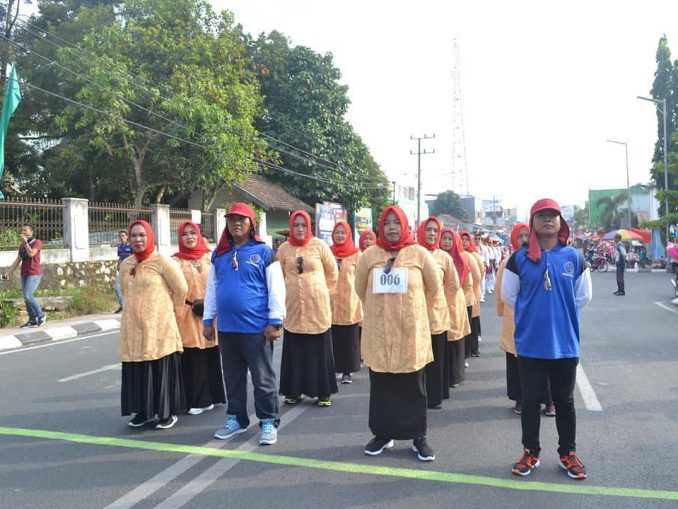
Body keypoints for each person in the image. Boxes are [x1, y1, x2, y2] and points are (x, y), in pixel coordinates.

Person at [501, 198, 592, 480]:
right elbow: (510, 296)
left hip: (565, 344)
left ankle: (568, 453)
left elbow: (583, 296)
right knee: (530, 401)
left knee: (565, 401)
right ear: (533, 222)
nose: (548, 219)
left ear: (560, 221)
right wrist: (535, 315)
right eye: (541, 215)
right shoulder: (519, 259)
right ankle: (531, 451)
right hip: (530, 343)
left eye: (553, 215)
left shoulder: (574, 257)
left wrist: (559, 315)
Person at [356, 205, 446, 462]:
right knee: (382, 386)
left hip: (411, 334)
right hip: (379, 334)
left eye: (397, 222)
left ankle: (419, 438)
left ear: (405, 225)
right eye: (387, 223)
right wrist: (379, 312)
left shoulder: (419, 254)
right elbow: (360, 289)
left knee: (413, 387)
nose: (392, 227)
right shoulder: (370, 255)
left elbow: (435, 290)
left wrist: (415, 312)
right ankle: (382, 435)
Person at [204, 203, 285, 445]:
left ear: (252, 224)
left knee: (263, 379)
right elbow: (211, 289)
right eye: (232, 219)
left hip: (257, 329)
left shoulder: (264, 252)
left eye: (242, 219)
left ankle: (268, 421)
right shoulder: (219, 255)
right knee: (232, 378)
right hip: (227, 329)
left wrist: (275, 321)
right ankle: (236, 419)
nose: (236, 223)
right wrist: (208, 319)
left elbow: (276, 289)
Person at [119, 220, 188, 430]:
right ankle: (142, 411)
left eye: (142, 235)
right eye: (134, 235)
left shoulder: (163, 262)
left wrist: (171, 311)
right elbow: (125, 290)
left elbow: (181, 289)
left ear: (150, 237)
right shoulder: (126, 264)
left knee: (159, 369)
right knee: (137, 369)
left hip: (159, 327)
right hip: (133, 328)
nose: (138, 239)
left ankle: (166, 413)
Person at [277, 210, 338, 407]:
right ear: (291, 227)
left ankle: (323, 393)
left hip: (317, 308)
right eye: (296, 225)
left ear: (309, 226)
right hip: (293, 308)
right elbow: (279, 277)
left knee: (318, 351)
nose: (300, 229)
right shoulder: (284, 249)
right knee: (295, 351)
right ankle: (293, 391)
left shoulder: (319, 246)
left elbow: (332, 273)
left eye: (304, 225)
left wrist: (322, 293)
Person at [495, 223, 555, 417]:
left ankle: (549, 400)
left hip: (540, 318)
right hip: (514, 318)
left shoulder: (542, 259)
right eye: (519, 236)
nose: (523, 239)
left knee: (545, 360)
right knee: (517, 362)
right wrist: (504, 310)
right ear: (513, 238)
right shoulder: (507, 262)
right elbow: (501, 291)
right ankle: (520, 399)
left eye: (526, 235)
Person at [172, 221, 226, 417]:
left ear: (199, 235)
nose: (189, 237)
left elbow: (220, 283)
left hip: (210, 314)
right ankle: (196, 399)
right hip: (187, 314)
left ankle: (211, 397)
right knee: (192, 357)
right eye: (184, 234)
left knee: (210, 355)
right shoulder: (175, 262)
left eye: (192, 233)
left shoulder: (209, 258)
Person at [416, 217, 453, 409]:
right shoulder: (413, 253)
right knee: (417, 358)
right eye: (428, 229)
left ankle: (435, 397)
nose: (431, 234)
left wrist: (440, 301)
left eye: (435, 231)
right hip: (415, 314)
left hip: (436, 315)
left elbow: (453, 285)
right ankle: (417, 395)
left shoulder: (444, 257)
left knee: (436, 357)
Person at [330, 220, 363, 384]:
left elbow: (362, 278)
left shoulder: (357, 254)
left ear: (348, 234)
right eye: (337, 232)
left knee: (349, 339)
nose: (340, 235)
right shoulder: (328, 252)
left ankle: (347, 371)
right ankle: (331, 369)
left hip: (350, 302)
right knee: (332, 338)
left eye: (343, 232)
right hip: (330, 302)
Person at [439, 228, 472, 387]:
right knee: (442, 341)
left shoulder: (460, 261)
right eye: (444, 238)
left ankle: (455, 377)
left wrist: (457, 298)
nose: (446, 242)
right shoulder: (434, 258)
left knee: (455, 340)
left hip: (455, 305)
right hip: (438, 305)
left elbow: (468, 284)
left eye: (450, 239)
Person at [3, 224, 46, 328]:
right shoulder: (22, 246)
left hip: (34, 273)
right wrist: (8, 272)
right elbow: (17, 261)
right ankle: (32, 320)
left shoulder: (37, 242)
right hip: (25, 274)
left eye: (25, 230)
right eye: (22, 230)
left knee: (28, 295)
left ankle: (41, 314)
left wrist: (26, 242)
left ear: (31, 231)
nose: (23, 232)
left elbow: (31, 254)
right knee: (26, 298)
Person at [460, 231, 484, 358]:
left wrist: (472, 288)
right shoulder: (456, 254)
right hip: (461, 295)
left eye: (466, 240)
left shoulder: (474, 256)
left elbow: (479, 274)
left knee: (473, 321)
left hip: (472, 292)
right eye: (462, 239)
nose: (464, 242)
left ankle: (474, 348)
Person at [114, 230, 133, 313]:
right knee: (117, 287)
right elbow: (120, 257)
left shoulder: (131, 247)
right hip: (122, 270)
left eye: (123, 236)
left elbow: (135, 257)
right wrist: (118, 265)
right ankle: (123, 305)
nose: (121, 238)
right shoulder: (119, 247)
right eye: (120, 236)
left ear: (127, 237)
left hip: (130, 270)